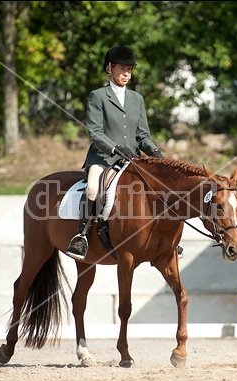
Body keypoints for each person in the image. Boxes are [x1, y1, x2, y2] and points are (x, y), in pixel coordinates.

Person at [66, 44, 163, 261]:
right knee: (92, 189)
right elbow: (95, 132)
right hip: (103, 158)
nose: (126, 73)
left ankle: (164, 241)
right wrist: (114, 148)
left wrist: (156, 152)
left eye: (129, 69)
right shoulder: (98, 96)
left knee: (158, 189)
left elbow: (143, 135)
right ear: (109, 68)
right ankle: (81, 237)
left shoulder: (137, 99)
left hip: (132, 159)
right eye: (122, 68)